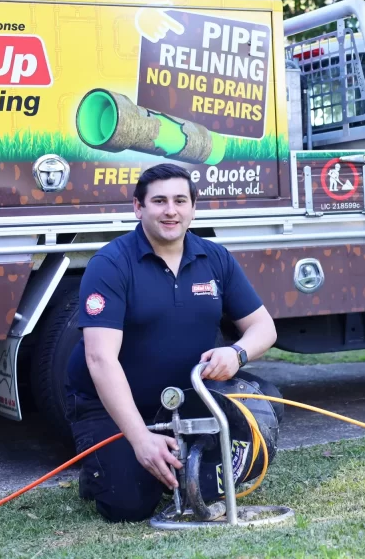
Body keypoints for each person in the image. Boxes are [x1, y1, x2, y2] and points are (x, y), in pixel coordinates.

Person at [64, 162, 278, 522]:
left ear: (193, 207)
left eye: (180, 200)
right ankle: (101, 471)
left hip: (186, 397)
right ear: (138, 207)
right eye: (159, 201)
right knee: (128, 506)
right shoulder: (111, 264)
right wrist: (140, 439)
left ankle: (184, 469)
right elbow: (100, 359)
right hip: (111, 406)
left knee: (264, 401)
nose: (170, 210)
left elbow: (264, 328)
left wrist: (236, 353)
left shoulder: (215, 258)